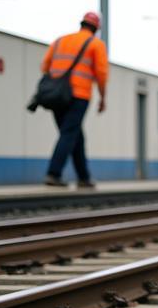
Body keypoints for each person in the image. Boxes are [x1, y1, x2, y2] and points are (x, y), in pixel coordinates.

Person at [41, 10, 108, 188]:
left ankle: (83, 177)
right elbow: (101, 73)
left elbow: (45, 66)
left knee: (75, 135)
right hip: (79, 96)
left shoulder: (60, 40)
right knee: (69, 134)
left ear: (82, 24)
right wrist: (103, 97)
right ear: (96, 28)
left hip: (56, 95)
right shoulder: (96, 44)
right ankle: (53, 173)